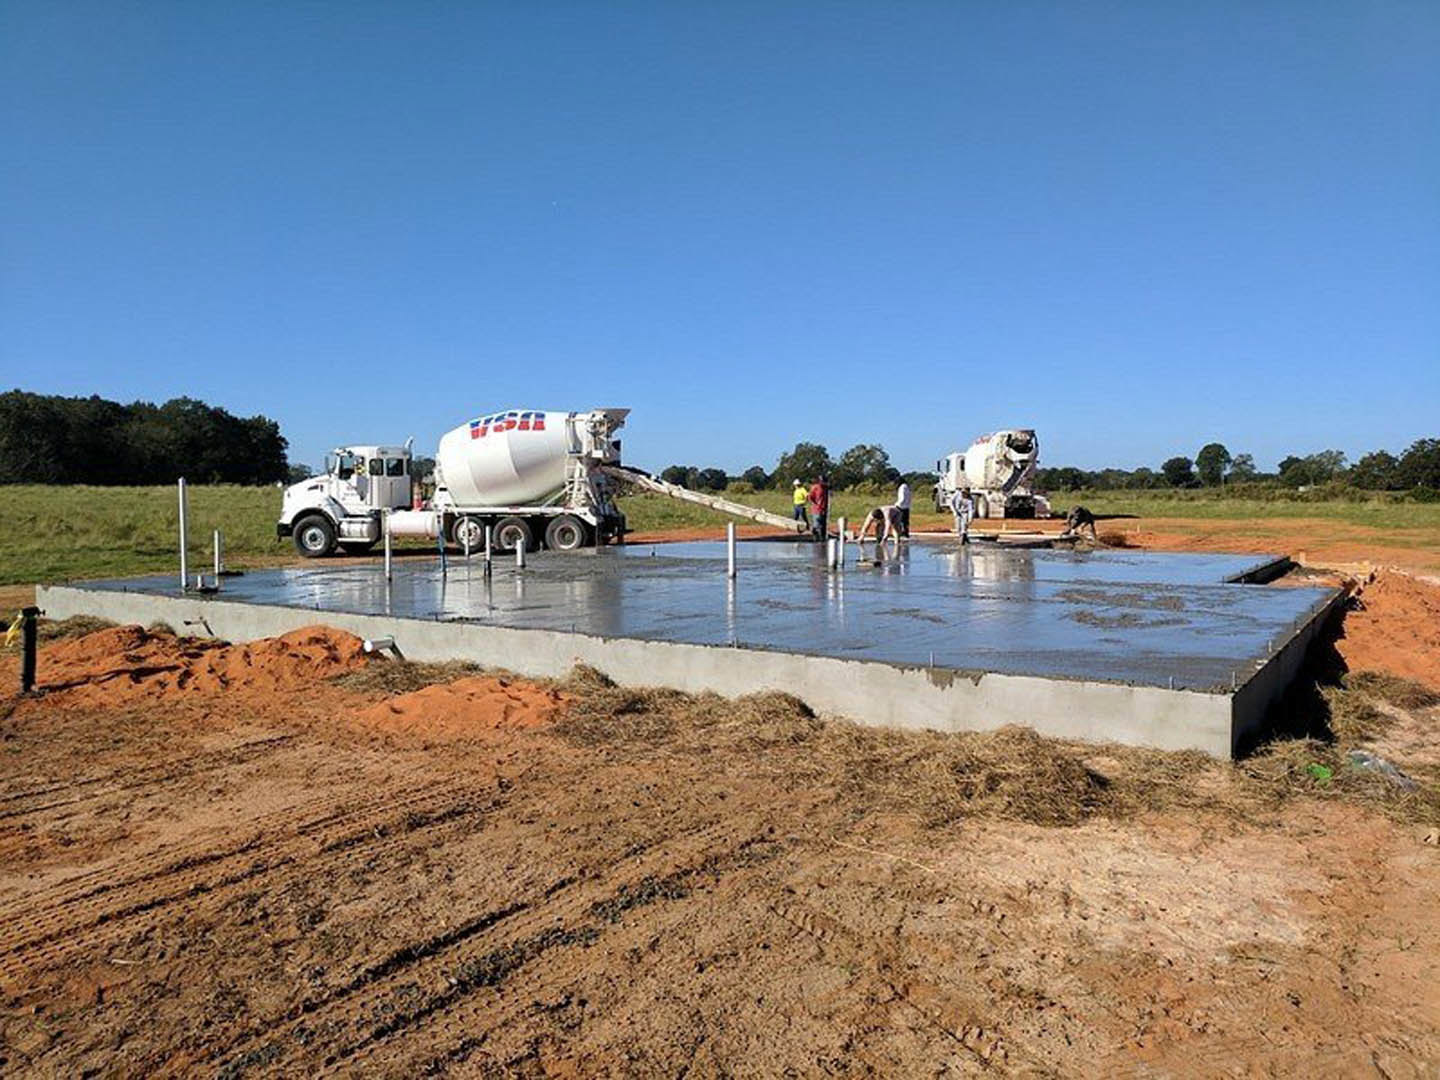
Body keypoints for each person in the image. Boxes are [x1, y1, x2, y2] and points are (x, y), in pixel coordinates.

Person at [808, 475, 829, 542]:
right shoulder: (815, 488)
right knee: (817, 525)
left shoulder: (825, 488)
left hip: (824, 509)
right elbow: (810, 497)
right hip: (817, 510)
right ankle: (815, 539)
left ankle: (822, 540)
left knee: (823, 526)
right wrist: (816, 504)